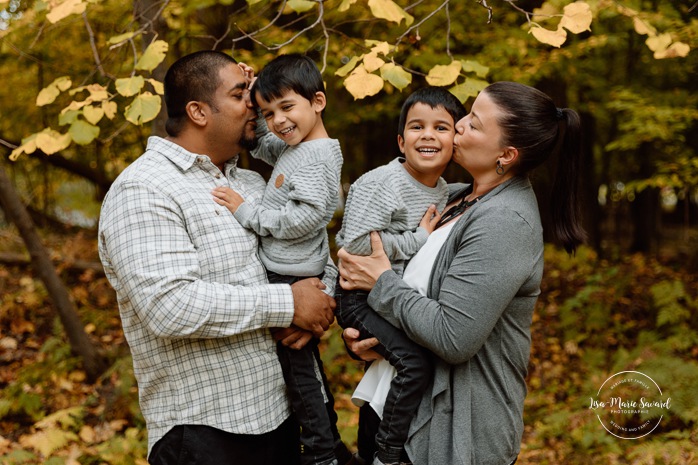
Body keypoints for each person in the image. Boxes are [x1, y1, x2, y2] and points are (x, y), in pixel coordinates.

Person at [97, 50, 339, 465]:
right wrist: (288, 305)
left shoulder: (248, 181)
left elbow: (309, 247)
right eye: (241, 93)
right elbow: (170, 306)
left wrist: (321, 300)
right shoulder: (144, 188)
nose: (254, 104)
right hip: (206, 435)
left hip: (283, 418)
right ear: (198, 111)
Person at [338, 81, 585, 465]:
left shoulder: (507, 221)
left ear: (506, 155)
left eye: (474, 123)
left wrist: (381, 284)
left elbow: (454, 336)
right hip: (391, 408)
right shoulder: (454, 197)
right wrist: (369, 337)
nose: (459, 126)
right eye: (467, 114)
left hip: (451, 436)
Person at [211, 54, 345, 465]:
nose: (278, 121)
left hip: (293, 274)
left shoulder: (319, 157)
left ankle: (323, 452)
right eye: (268, 112)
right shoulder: (297, 147)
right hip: (288, 270)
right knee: (300, 366)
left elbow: (309, 218)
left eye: (287, 107)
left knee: (300, 372)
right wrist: (250, 93)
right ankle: (330, 444)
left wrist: (246, 211)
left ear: (318, 102)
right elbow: (263, 142)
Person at [334, 87, 467, 465]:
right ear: (400, 140)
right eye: (416, 127)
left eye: (441, 127)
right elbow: (357, 246)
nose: (428, 135)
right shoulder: (382, 183)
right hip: (359, 294)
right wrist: (417, 238)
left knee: (410, 361)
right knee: (413, 364)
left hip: (391, 296)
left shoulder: (445, 192)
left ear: (456, 140)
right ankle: (385, 453)